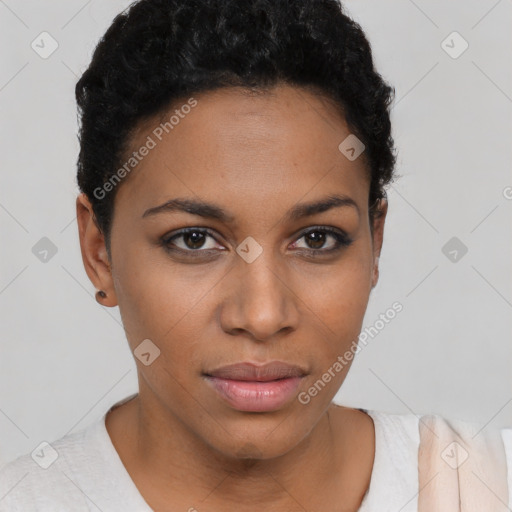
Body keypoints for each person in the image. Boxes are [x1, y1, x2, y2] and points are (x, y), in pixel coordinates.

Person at [1, 0, 510, 510]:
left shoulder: (482, 486)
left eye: (317, 239)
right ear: (99, 253)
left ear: (375, 242)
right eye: (194, 240)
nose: (263, 316)